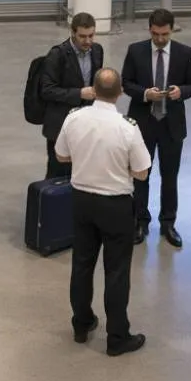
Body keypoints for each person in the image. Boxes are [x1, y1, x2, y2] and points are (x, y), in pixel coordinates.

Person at [55, 68, 149, 357]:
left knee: (82, 265)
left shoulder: (74, 118)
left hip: (82, 200)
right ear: (120, 93)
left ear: (92, 90)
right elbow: (142, 172)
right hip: (116, 205)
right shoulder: (127, 127)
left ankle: (81, 324)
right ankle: (117, 337)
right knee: (116, 272)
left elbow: (61, 155)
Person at [120, 8, 191, 248]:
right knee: (140, 176)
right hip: (143, 124)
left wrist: (180, 92)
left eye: (164, 34)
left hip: (171, 125)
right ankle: (140, 222)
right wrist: (145, 94)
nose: (160, 39)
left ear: (172, 30)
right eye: (155, 34)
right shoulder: (136, 51)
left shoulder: (185, 53)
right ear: (149, 30)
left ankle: (168, 223)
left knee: (170, 176)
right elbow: (126, 83)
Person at [37, 13, 104, 179]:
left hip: (86, 124)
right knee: (58, 175)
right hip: (61, 125)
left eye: (91, 36)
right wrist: (80, 93)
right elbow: (47, 90)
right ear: (72, 32)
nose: (87, 41)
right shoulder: (57, 55)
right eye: (82, 36)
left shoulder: (97, 51)